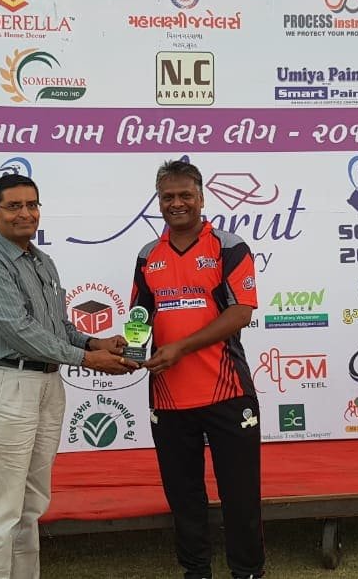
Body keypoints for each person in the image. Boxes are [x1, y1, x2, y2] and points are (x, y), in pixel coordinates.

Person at [0, 173, 136, 579]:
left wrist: (94, 342)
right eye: (14, 206)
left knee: (31, 504)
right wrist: (87, 359)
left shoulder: (42, 261)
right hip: (5, 385)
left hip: (45, 384)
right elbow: (19, 331)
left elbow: (55, 326)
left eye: (32, 204)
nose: (25, 213)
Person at [130, 159, 265, 579]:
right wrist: (128, 351)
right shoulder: (147, 255)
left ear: (201, 198)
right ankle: (196, 571)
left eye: (185, 195)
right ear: (158, 201)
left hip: (227, 391)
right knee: (183, 494)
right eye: (167, 196)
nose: (177, 203)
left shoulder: (228, 247)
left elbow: (240, 312)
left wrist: (181, 348)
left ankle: (247, 571)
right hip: (169, 395)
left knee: (240, 493)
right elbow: (140, 316)